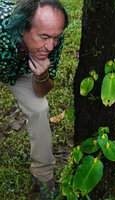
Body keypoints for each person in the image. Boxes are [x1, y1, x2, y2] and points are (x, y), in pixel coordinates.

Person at [0, 0, 68, 199]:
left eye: (55, 37)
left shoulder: (53, 42)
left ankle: (43, 174)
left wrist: (42, 76)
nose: (50, 46)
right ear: (22, 29)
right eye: (44, 37)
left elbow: (41, 92)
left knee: (39, 107)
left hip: (19, 71)